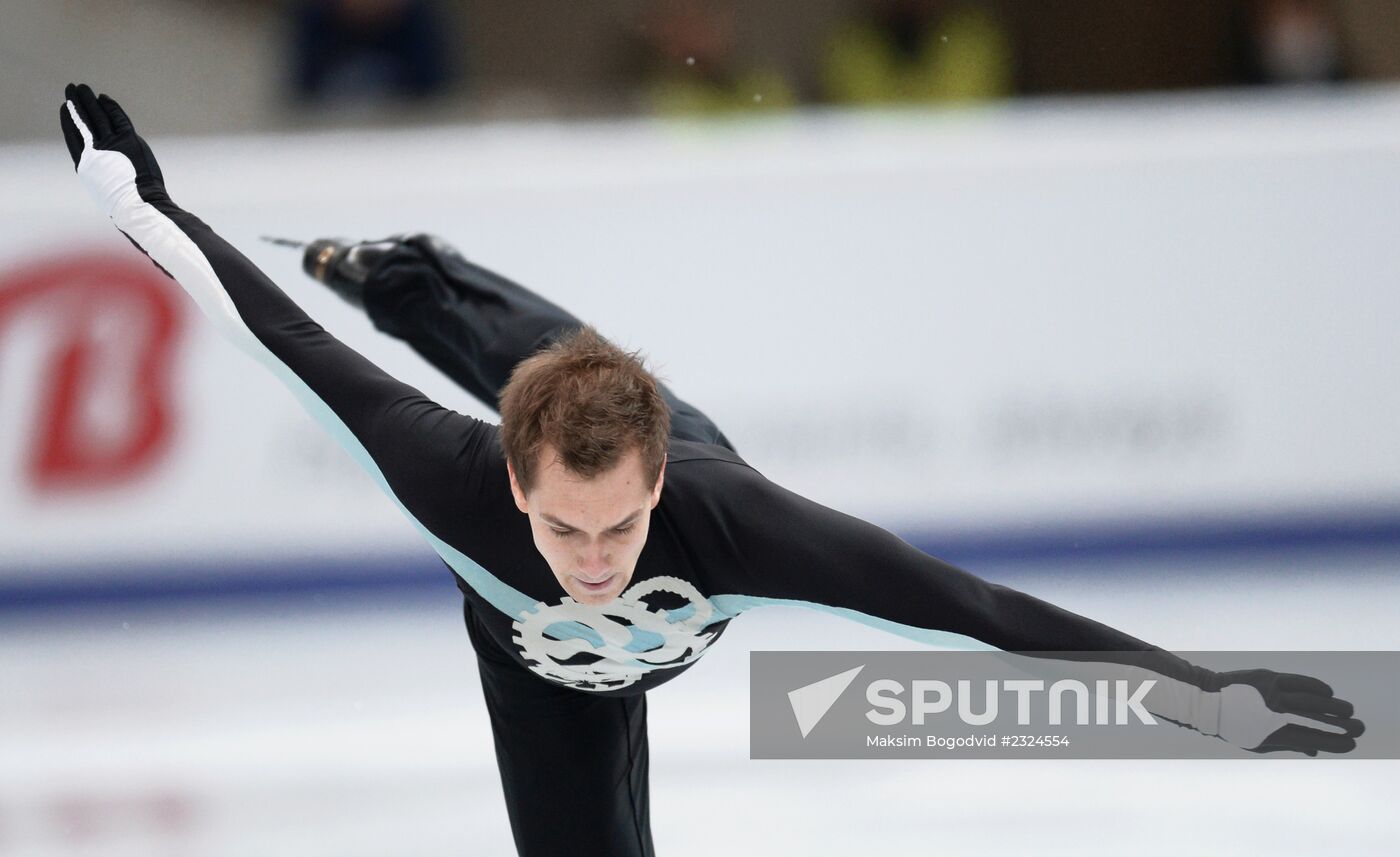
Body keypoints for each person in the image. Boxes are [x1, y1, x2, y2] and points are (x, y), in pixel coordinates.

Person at [60, 83, 1363, 857]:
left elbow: (977, 612)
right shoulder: (452, 476)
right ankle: (398, 280)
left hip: (679, 452)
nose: (594, 560)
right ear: (516, 491)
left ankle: (418, 274)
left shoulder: (727, 520)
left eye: (620, 525)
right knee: (492, 359)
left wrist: (1209, 695)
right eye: (567, 529)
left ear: (656, 483)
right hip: (536, 680)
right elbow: (267, 327)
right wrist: (136, 200)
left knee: (546, 346)